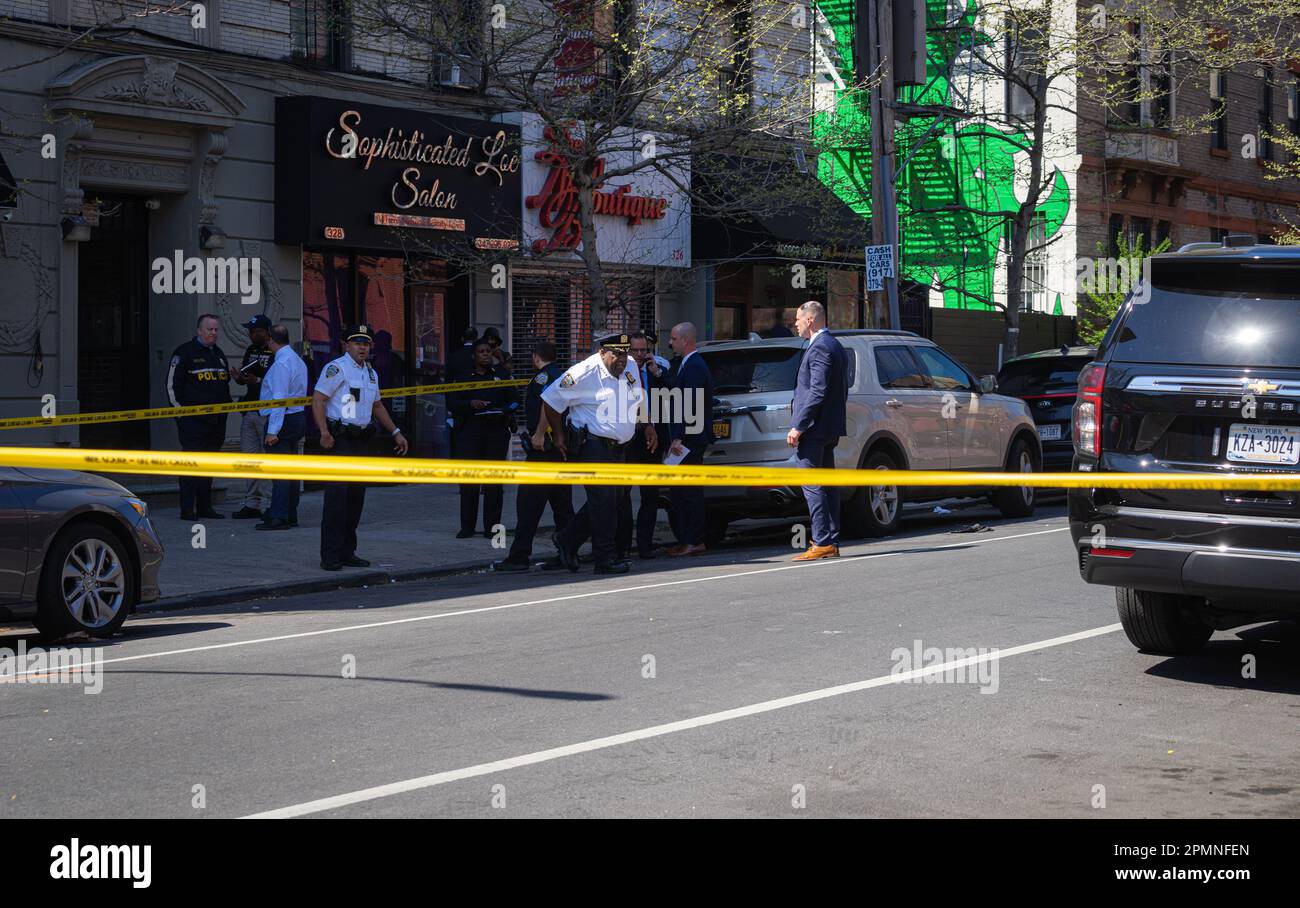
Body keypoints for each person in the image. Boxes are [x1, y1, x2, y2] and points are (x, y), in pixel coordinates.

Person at [539, 333, 656, 575]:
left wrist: (648, 425)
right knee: (604, 502)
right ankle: (605, 558)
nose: (623, 360)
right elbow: (550, 401)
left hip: (620, 447)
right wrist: (558, 435)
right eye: (617, 355)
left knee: (611, 500)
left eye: (625, 354)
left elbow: (638, 396)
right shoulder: (583, 373)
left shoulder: (630, 365)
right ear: (603, 353)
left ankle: (567, 540)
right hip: (593, 446)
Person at [313, 324, 409, 571]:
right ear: (347, 345)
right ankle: (330, 555)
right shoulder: (337, 368)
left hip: (361, 441)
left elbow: (377, 406)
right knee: (336, 500)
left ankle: (348, 551)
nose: (362, 347)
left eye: (366, 343)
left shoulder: (370, 373)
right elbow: (319, 399)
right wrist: (323, 432)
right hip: (341, 440)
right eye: (357, 343)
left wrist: (396, 432)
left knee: (355, 499)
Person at [493, 341, 573, 572]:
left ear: (536, 357)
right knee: (562, 505)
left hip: (544, 450)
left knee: (528, 504)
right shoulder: (563, 375)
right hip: (559, 450)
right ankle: (567, 552)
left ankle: (519, 557)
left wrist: (538, 434)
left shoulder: (543, 377)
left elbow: (548, 405)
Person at [788, 301, 849, 561]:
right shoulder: (834, 344)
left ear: (810, 320)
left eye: (798, 320)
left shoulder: (821, 346)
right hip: (828, 426)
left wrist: (798, 425)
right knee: (826, 483)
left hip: (814, 428)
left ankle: (823, 540)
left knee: (812, 483)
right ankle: (830, 540)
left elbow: (817, 390)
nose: (795, 324)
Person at [167, 313, 233, 521]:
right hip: (193, 422)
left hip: (216, 422)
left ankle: (205, 507)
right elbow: (171, 386)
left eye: (216, 330)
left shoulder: (218, 354)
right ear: (199, 331)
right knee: (191, 465)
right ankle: (187, 509)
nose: (214, 333)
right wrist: (181, 415)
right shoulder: (184, 353)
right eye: (210, 329)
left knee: (208, 465)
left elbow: (223, 383)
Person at [448, 338, 515, 538]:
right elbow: (452, 403)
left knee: (494, 483)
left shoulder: (502, 375)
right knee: (470, 482)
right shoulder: (462, 378)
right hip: (470, 433)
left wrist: (501, 410)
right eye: (482, 352)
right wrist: (471, 404)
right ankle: (467, 527)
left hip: (496, 432)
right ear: (474, 355)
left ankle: (492, 528)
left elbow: (515, 401)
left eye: (488, 351)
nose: (486, 354)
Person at [618, 330, 674, 559]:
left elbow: (675, 392)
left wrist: (657, 373)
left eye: (644, 350)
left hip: (653, 438)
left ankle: (645, 544)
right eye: (636, 350)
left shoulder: (655, 370)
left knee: (650, 495)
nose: (640, 355)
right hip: (629, 437)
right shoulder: (620, 372)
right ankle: (621, 545)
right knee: (622, 494)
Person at [663, 322, 716, 557]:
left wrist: (678, 437)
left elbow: (689, 403)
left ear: (685, 340)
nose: (670, 342)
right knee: (680, 491)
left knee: (688, 491)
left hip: (689, 440)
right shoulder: (687, 364)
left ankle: (693, 540)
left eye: (673, 338)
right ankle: (689, 539)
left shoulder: (694, 365)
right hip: (688, 437)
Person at [256, 324, 309, 531]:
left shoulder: (281, 364)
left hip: (284, 420)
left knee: (280, 472)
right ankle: (290, 513)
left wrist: (272, 431)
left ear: (270, 339)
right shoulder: (297, 361)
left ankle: (278, 515)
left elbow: (279, 399)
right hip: (296, 418)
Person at [231, 314, 274, 520]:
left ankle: (270, 504)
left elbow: (277, 383)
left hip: (267, 414)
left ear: (266, 332)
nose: (252, 334)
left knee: (268, 461)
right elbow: (245, 380)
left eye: (256, 331)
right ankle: (252, 504)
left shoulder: (276, 352)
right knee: (250, 460)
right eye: (250, 331)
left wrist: (257, 380)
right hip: (250, 411)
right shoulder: (250, 350)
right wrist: (240, 379)